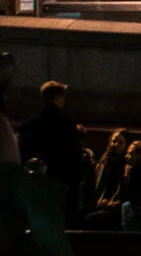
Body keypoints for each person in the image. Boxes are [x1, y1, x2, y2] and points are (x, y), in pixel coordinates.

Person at [0, 55, 76, 256]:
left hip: (16, 181)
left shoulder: (28, 125)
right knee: (38, 195)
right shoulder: (64, 126)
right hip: (16, 182)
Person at [18, 81, 90, 213]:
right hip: (62, 182)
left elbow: (23, 155)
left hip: (37, 183)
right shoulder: (67, 125)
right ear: (58, 98)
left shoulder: (30, 125)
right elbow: (74, 157)